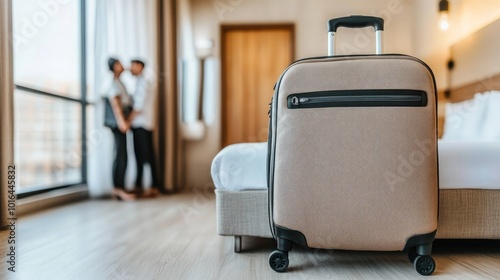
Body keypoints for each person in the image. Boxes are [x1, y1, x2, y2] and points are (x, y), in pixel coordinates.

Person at [127, 59, 160, 198]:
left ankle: (153, 186)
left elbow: (138, 106)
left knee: (147, 156)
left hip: (142, 124)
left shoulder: (145, 81)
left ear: (140, 66)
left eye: (133, 66)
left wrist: (127, 121)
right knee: (140, 156)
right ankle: (139, 185)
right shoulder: (140, 81)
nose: (130, 69)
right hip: (140, 124)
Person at [107, 58, 136, 201]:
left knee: (122, 153)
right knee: (120, 154)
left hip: (122, 121)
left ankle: (120, 187)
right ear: (114, 67)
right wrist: (122, 121)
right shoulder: (113, 83)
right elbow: (115, 103)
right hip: (119, 123)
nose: (122, 65)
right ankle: (117, 188)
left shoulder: (119, 82)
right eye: (118, 63)